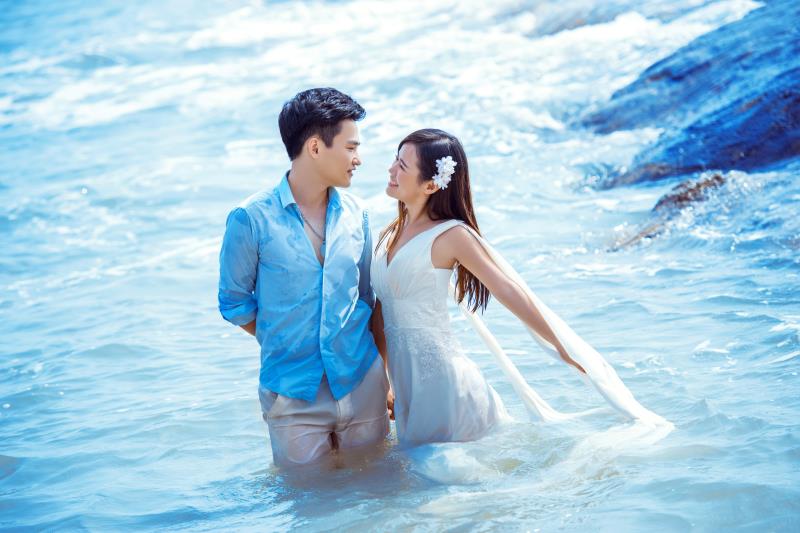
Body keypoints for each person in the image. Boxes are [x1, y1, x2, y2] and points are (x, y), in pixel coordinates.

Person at [371, 128, 667, 447]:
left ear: (430, 185)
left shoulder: (452, 235)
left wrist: (560, 345)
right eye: (395, 160)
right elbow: (383, 309)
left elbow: (507, 289)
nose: (391, 169)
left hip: (444, 386)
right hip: (408, 387)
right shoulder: (390, 234)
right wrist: (382, 380)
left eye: (402, 165)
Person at [218, 88, 390, 466]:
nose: (358, 159)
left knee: (379, 488)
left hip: (362, 381)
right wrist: (285, 339)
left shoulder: (357, 214)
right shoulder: (250, 219)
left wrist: (386, 379)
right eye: (350, 147)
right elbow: (234, 303)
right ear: (315, 147)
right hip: (292, 394)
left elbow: (366, 298)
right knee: (308, 497)